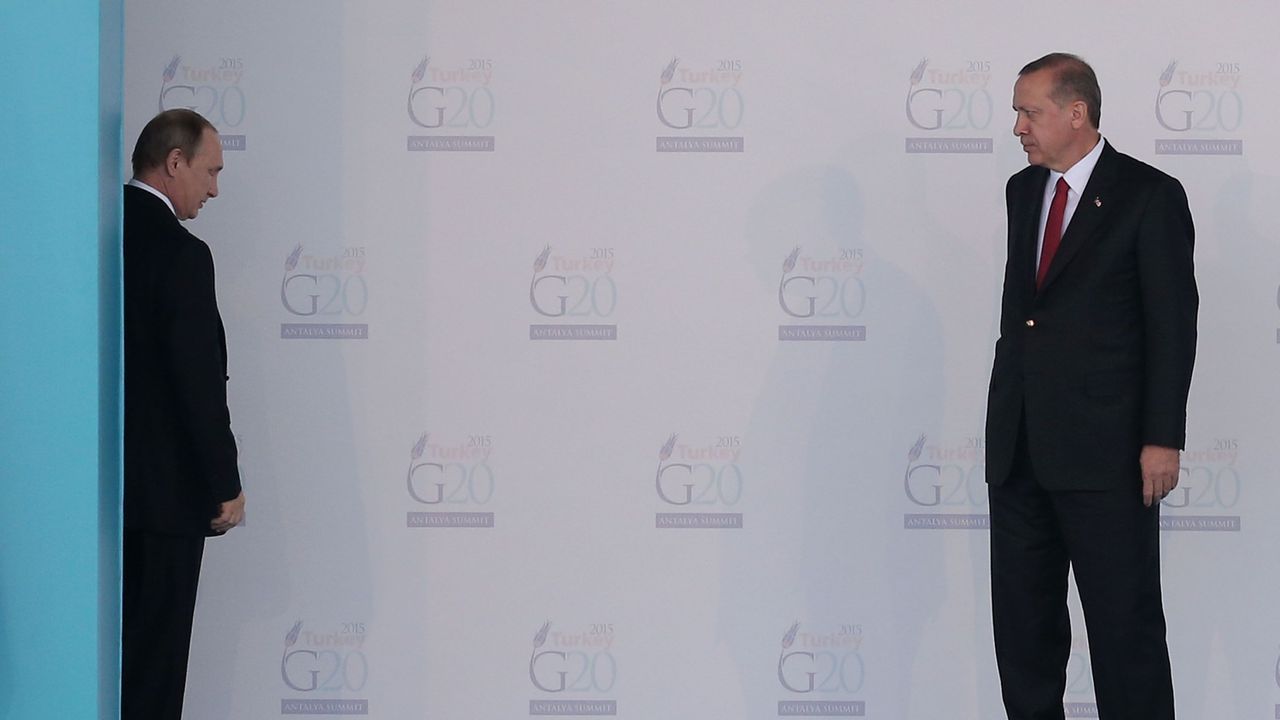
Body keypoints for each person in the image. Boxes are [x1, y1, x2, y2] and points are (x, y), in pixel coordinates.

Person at [985, 53, 1196, 719]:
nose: (1018, 126)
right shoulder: (1023, 192)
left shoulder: (1149, 196)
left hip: (1109, 456)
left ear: (1077, 113)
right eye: (1017, 112)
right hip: (1019, 450)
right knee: (1023, 633)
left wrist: (1162, 438)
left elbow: (1172, 325)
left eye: (1030, 112)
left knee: (1124, 632)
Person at [122, 108, 246, 720]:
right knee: (156, 670)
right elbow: (196, 383)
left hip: (96, 499)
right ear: (174, 163)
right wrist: (225, 484)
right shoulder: (181, 253)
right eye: (210, 171)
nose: (214, 189)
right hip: (167, 502)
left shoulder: (96, 234)